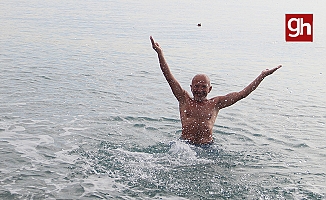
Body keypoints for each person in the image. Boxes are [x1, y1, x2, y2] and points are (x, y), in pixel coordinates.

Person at [150, 36, 282, 145]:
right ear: (191, 87)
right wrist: (160, 54)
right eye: (196, 86)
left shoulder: (216, 103)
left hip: (208, 147)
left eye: (203, 87)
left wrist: (262, 75)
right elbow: (168, 76)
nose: (199, 90)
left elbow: (242, 94)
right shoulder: (184, 99)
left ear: (210, 89)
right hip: (185, 146)